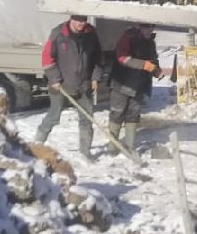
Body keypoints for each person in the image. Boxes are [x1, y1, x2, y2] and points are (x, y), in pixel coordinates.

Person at [35, 15, 104, 159]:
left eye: (84, 21)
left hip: (83, 86)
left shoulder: (91, 34)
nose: (81, 24)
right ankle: (37, 145)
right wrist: (54, 78)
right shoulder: (59, 33)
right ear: (71, 19)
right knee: (53, 116)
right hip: (60, 85)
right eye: (78, 21)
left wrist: (95, 78)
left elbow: (98, 58)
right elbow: (47, 58)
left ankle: (85, 152)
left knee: (86, 118)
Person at [108, 22, 158, 153]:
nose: (148, 30)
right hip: (122, 82)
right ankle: (112, 146)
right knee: (117, 113)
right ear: (140, 27)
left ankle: (129, 147)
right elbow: (122, 58)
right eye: (145, 27)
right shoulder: (128, 37)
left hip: (139, 85)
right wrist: (145, 65)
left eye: (150, 27)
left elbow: (153, 60)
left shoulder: (151, 42)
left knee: (133, 115)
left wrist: (156, 69)